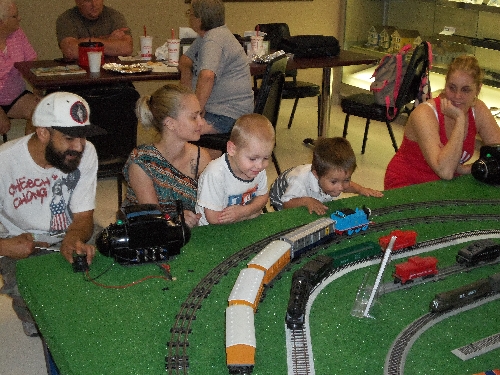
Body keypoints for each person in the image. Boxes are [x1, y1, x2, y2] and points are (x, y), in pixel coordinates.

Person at [0, 91, 104, 336]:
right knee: (39, 306)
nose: (79, 147)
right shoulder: (4, 162)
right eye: (69, 138)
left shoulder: (86, 152)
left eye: (83, 138)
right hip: (18, 241)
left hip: (68, 231)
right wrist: (4, 247)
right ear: (43, 132)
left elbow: (83, 217)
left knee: (119, 258)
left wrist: (72, 239)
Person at [384, 55, 500, 190]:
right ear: (445, 85)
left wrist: (467, 169)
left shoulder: (478, 109)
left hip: (445, 185)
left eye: (465, 90)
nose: (457, 96)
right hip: (408, 184)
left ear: (478, 90)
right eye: (452, 88)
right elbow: (445, 171)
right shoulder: (424, 113)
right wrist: (460, 120)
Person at [123, 85, 211, 228]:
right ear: (170, 123)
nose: (201, 122)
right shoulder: (142, 162)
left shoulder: (201, 157)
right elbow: (153, 216)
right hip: (145, 232)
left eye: (201, 115)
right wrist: (178, 217)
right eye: (194, 117)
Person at [179, 0, 254, 135]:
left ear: (200, 19)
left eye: (190, 13)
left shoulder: (214, 39)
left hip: (227, 116)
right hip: (219, 110)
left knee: (176, 129)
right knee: (177, 122)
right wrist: (188, 99)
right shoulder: (207, 36)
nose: (189, 17)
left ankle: (203, 154)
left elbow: (207, 76)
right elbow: (185, 61)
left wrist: (194, 113)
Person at [269, 137, 383, 215]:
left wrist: (361, 190)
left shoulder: (332, 177)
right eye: (334, 182)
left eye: (346, 179)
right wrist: (306, 201)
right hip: (281, 197)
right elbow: (286, 204)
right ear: (316, 175)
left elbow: (346, 185)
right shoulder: (299, 182)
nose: (341, 188)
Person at [195, 113, 274, 225]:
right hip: (212, 229)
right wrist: (249, 214)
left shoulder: (256, 169)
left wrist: (245, 211)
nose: (260, 165)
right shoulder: (215, 174)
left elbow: (263, 196)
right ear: (232, 149)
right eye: (252, 158)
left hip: (239, 221)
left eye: (266, 158)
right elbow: (213, 218)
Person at [0, 0, 40, 136]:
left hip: (15, 96)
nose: (19, 18)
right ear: (1, 21)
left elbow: (31, 63)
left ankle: (28, 151)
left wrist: (37, 87)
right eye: (14, 16)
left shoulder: (18, 34)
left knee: (43, 109)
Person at [56, 0, 133, 60]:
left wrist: (88, 42)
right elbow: (71, 51)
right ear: (78, 2)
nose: (94, 4)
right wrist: (108, 40)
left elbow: (126, 48)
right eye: (88, 0)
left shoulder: (114, 16)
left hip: (112, 74)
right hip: (81, 75)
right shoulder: (66, 18)